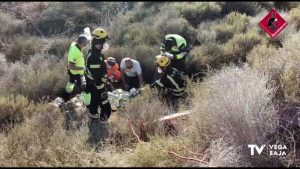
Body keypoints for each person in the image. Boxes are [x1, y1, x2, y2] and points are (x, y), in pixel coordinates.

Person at [84, 28, 112, 124]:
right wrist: (102, 88)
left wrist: (103, 63)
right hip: (97, 84)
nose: (105, 43)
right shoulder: (95, 57)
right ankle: (103, 121)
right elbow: (96, 76)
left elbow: (95, 69)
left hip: (92, 83)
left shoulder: (93, 52)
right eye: (104, 41)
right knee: (105, 103)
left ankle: (93, 115)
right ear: (99, 42)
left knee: (94, 100)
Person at [61, 35, 88, 103]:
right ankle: (88, 102)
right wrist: (83, 68)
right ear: (81, 43)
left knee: (70, 84)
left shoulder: (74, 44)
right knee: (84, 88)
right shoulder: (75, 52)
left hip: (74, 73)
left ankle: (64, 99)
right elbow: (71, 66)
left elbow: (75, 41)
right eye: (84, 44)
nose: (85, 46)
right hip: (76, 74)